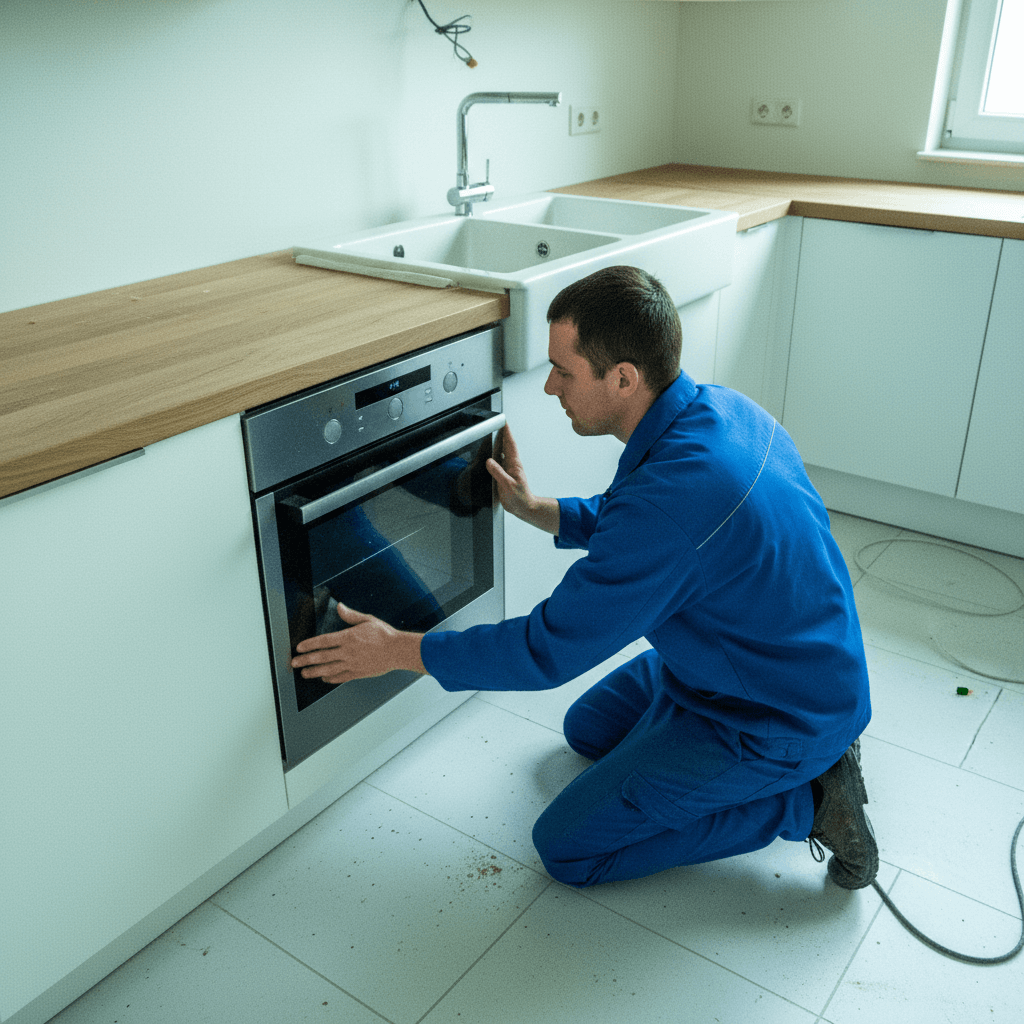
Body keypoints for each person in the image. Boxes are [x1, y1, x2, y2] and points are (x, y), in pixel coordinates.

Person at [291, 265, 878, 891]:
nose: (549, 387)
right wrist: (537, 510)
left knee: (568, 848)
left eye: (564, 371)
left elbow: (546, 650)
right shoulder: (717, 414)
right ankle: (715, 763)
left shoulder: (673, 503)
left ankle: (811, 802)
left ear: (623, 378)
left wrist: (397, 650)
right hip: (757, 662)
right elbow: (654, 528)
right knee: (587, 729)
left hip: (773, 715)